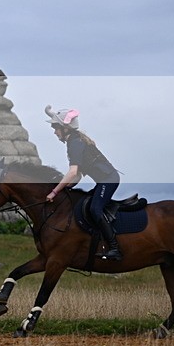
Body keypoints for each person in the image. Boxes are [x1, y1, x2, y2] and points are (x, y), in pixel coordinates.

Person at [44, 105, 122, 261]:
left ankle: (115, 248)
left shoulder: (75, 143)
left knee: (95, 209)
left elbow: (72, 173)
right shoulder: (74, 141)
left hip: (109, 180)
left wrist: (55, 191)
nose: (54, 132)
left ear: (65, 129)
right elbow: (78, 176)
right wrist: (67, 188)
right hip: (104, 181)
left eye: (56, 128)